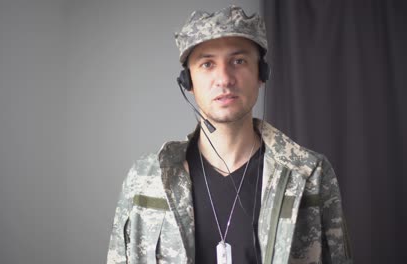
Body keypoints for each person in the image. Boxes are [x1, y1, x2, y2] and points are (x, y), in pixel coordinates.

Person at [107, 5, 352, 264]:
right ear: (188, 82)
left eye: (239, 61)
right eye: (207, 64)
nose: (224, 78)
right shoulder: (146, 178)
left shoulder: (309, 174)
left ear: (262, 74)